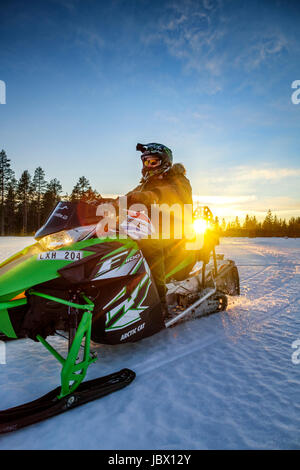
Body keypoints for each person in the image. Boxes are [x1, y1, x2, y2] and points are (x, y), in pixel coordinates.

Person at [126, 143, 195, 316]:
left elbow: (174, 194)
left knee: (150, 245)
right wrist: (104, 202)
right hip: (147, 229)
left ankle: (160, 305)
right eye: (145, 162)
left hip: (174, 233)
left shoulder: (178, 180)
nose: (148, 166)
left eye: (153, 162)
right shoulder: (144, 185)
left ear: (164, 163)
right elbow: (128, 197)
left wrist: (152, 195)